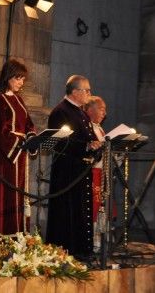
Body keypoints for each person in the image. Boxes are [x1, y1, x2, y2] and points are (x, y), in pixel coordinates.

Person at [0, 60, 36, 245]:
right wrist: (21, 141)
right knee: (3, 197)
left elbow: (28, 123)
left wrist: (32, 136)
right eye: (18, 78)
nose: (21, 82)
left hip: (19, 157)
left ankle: (18, 241)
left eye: (23, 79)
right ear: (8, 76)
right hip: (4, 157)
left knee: (18, 198)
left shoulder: (18, 99)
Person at [46, 75, 102, 257]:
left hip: (80, 171)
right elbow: (61, 142)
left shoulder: (81, 112)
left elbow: (87, 138)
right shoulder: (60, 112)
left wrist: (95, 146)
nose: (89, 94)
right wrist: (86, 146)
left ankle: (81, 251)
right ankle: (65, 253)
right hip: (66, 172)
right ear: (76, 92)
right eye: (87, 90)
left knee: (81, 212)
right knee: (66, 213)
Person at [84, 96, 109, 252]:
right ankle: (89, 242)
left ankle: (99, 241)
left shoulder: (99, 128)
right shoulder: (87, 127)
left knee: (101, 207)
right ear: (90, 110)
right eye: (101, 109)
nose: (104, 113)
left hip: (101, 173)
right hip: (91, 173)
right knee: (91, 208)